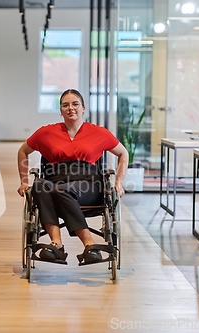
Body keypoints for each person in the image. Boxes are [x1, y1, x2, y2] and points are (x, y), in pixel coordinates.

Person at [17, 89, 128, 264]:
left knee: (61, 191)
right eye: (65, 105)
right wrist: (24, 182)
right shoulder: (46, 132)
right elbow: (23, 151)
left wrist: (119, 183)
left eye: (75, 104)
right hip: (55, 181)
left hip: (88, 185)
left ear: (83, 108)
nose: (71, 108)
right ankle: (57, 243)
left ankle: (89, 244)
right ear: (60, 110)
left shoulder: (98, 132)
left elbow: (123, 153)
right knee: (39, 185)